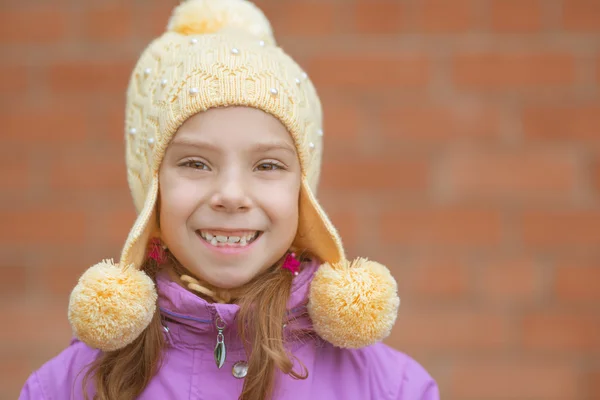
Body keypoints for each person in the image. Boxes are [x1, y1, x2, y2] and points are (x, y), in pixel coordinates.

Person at [19, 1, 439, 399]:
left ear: (304, 192)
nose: (232, 195)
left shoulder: (390, 387)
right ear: (153, 189)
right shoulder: (67, 385)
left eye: (268, 166)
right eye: (197, 163)